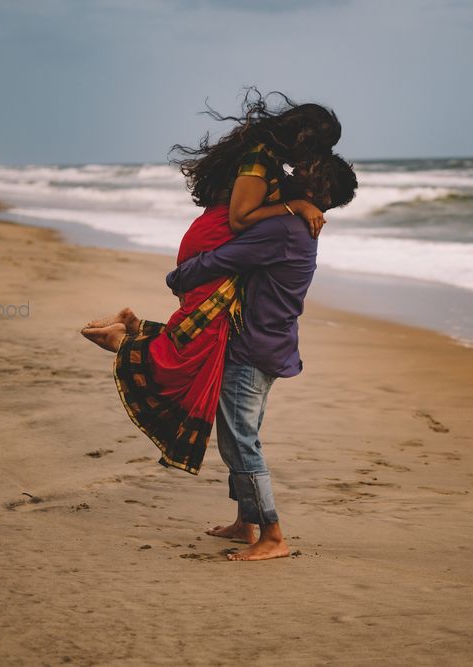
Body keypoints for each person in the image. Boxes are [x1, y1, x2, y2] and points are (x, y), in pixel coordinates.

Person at [81, 91, 341, 476]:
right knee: (196, 340)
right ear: (306, 140)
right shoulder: (259, 160)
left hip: (213, 237)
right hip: (216, 238)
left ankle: (133, 328)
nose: (315, 159)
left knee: (203, 329)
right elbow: (240, 220)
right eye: (319, 149)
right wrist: (296, 206)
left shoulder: (264, 156)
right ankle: (125, 340)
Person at [166, 154, 358, 560]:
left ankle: (272, 535)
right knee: (241, 432)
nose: (292, 173)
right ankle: (245, 523)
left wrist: (178, 276)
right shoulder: (296, 223)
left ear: (314, 190)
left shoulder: (285, 229)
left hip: (252, 347)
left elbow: (224, 258)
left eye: (302, 171)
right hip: (269, 342)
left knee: (239, 441)